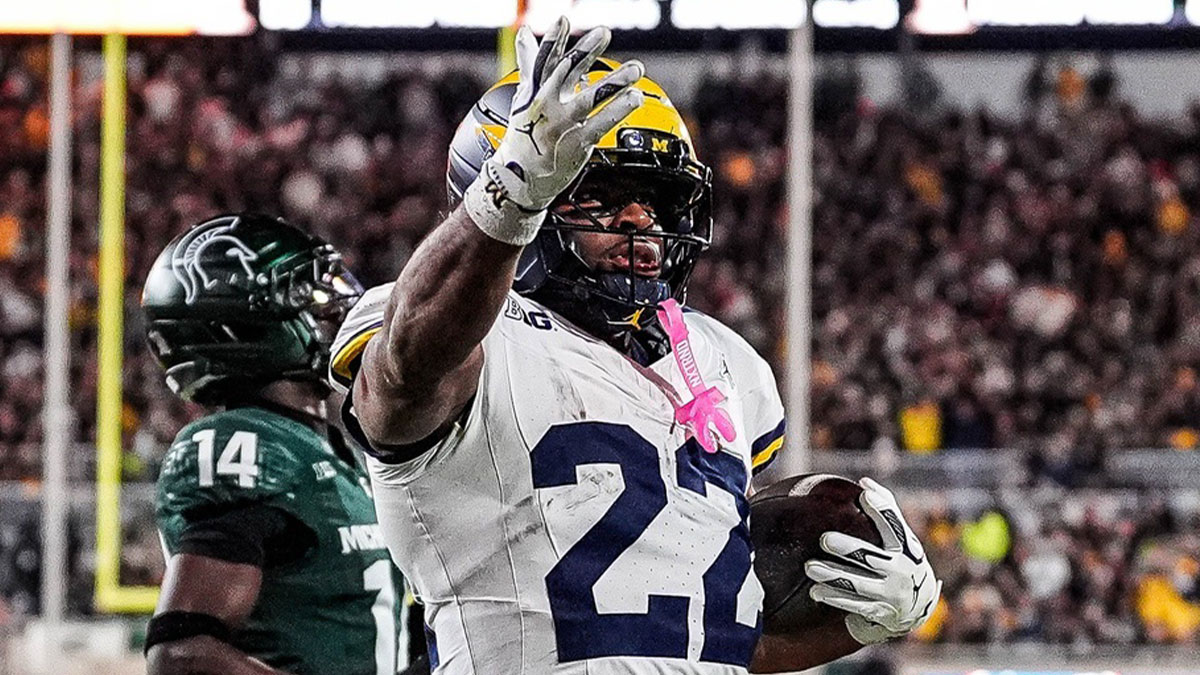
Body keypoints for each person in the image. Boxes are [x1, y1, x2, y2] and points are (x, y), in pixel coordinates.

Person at [331, 18, 940, 674]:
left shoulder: (722, 361)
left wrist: (859, 619)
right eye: (601, 194)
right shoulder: (462, 334)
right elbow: (405, 369)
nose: (639, 221)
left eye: (656, 201)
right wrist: (507, 200)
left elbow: (706, 638)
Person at [140, 214, 421, 675]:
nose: (340, 311)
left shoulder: (329, 445)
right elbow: (182, 656)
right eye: (314, 299)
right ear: (244, 326)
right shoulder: (248, 446)